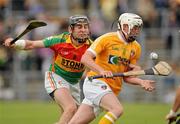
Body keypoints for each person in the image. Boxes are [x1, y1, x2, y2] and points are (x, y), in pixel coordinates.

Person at [68, 13, 155, 124]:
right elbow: (85, 58)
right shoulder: (106, 39)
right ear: (124, 26)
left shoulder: (136, 47)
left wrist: (140, 81)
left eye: (138, 28)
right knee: (117, 109)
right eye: (134, 27)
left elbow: (127, 77)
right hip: (96, 83)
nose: (137, 31)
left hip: (110, 90)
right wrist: (102, 71)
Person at [3, 15, 92, 124]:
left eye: (85, 27)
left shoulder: (92, 47)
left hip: (74, 83)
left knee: (74, 119)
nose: (83, 30)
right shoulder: (59, 40)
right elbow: (31, 44)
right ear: (70, 29)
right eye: (79, 27)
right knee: (70, 108)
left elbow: (90, 70)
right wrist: (15, 43)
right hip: (56, 77)